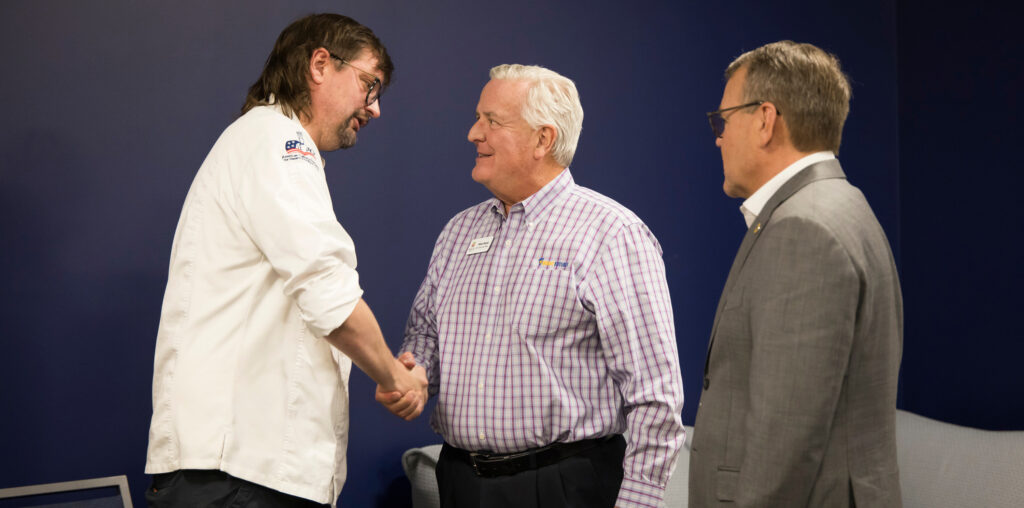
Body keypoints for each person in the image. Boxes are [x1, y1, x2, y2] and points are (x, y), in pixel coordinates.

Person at [144, 13, 426, 507]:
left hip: (240, 471)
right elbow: (328, 293)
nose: (374, 109)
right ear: (321, 64)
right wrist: (393, 377)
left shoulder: (263, 143)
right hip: (240, 476)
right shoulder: (279, 143)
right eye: (369, 85)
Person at [382, 64, 686, 508]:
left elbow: (655, 397)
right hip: (461, 481)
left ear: (543, 139)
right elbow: (425, 335)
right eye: (477, 117)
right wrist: (416, 374)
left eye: (492, 121)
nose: (472, 133)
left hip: (562, 487)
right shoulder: (458, 232)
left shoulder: (611, 233)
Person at [688, 41, 903, 507]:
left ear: (765, 120)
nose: (719, 137)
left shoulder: (802, 229)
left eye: (723, 120)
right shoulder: (842, 204)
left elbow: (783, 445)